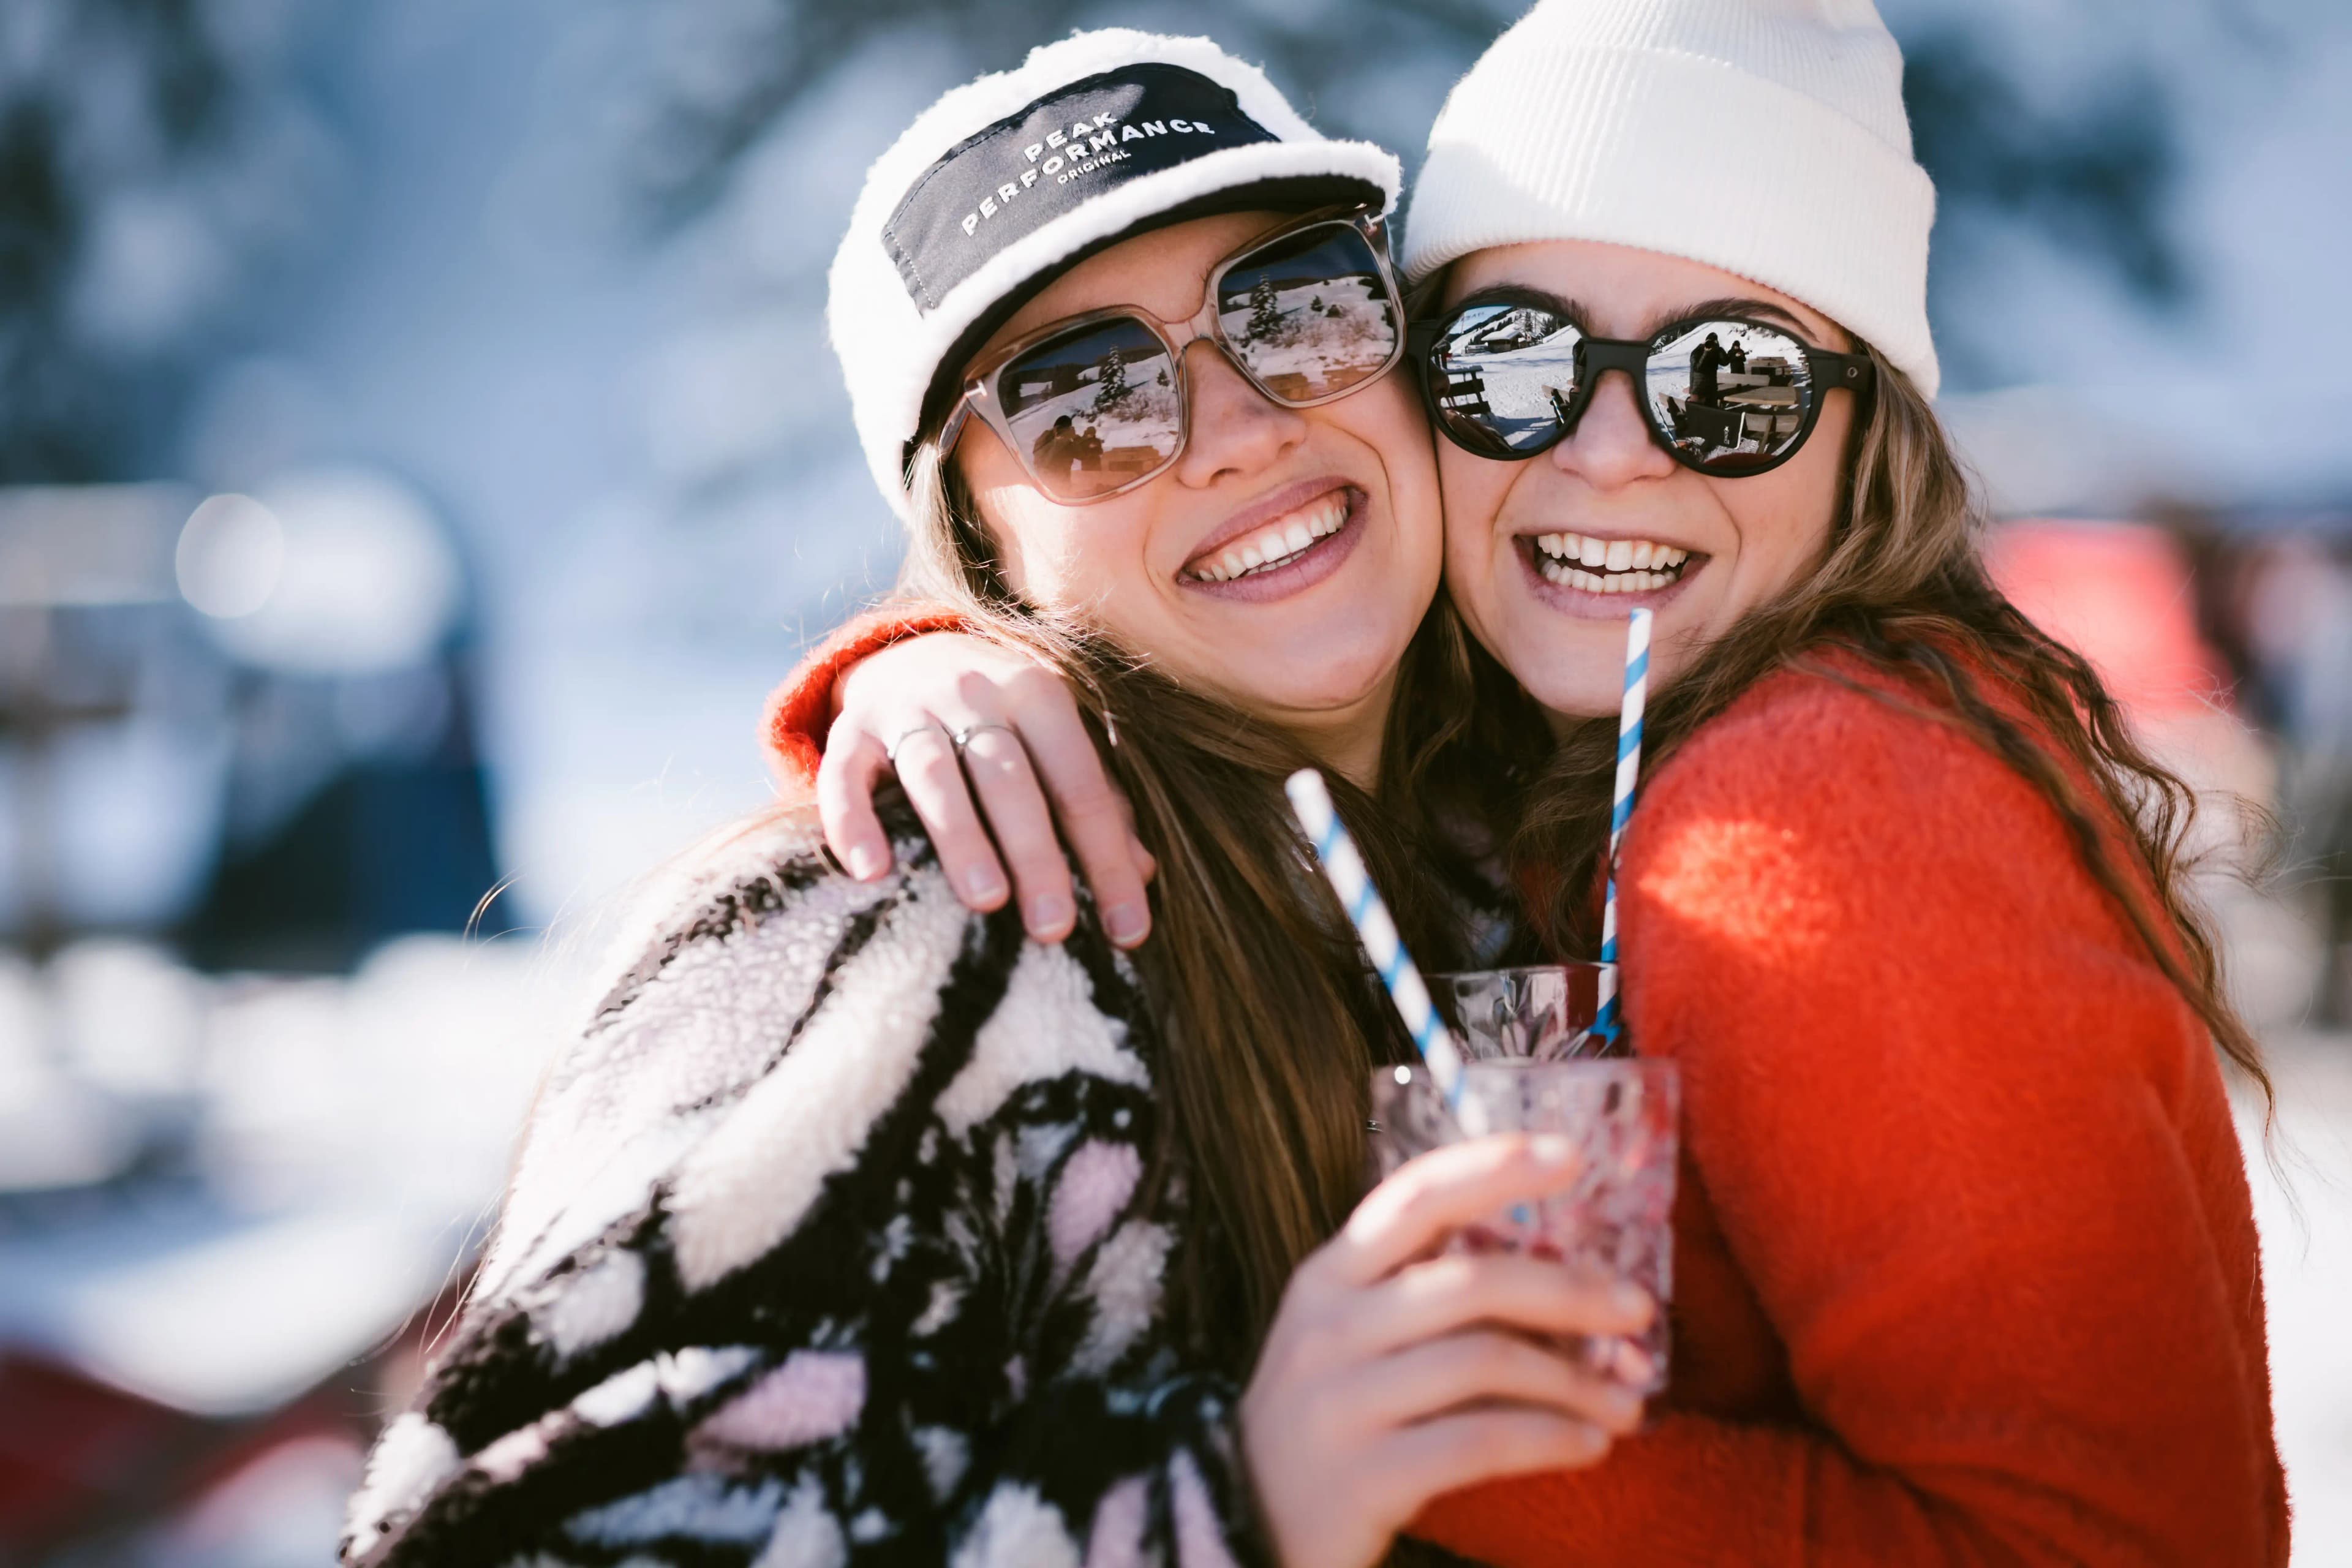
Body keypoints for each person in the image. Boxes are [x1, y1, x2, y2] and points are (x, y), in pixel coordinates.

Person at [763, 2, 2291, 1562]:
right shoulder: (1517, 773)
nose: (1614, 451)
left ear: (1869, 432)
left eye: (1734, 381)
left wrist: (1418, 1458)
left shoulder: (1812, 802)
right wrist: (945, 652)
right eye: (1515, 361)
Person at [341, 32, 1652, 1568]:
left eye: (1297, 307)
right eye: (1087, 398)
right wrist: (1228, 1501)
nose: (1240, 425)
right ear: (972, 522)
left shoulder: (1560, 813)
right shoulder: (915, 923)